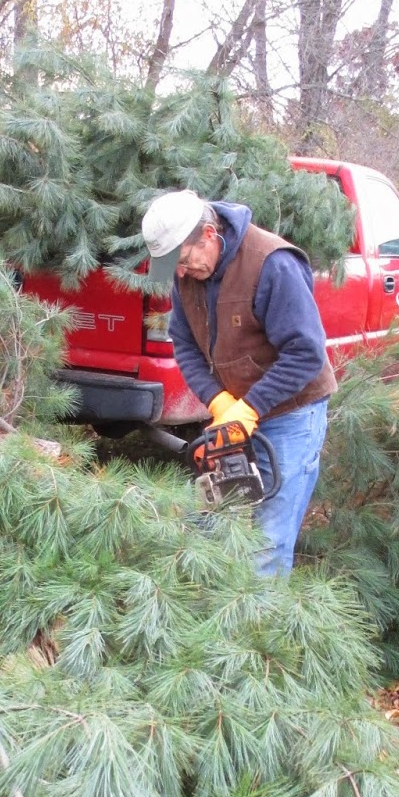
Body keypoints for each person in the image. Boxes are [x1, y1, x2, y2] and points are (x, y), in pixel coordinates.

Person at [141, 189, 336, 575]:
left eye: (182, 261)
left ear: (209, 235)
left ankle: (256, 629)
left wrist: (250, 408)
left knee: (268, 542)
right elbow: (183, 341)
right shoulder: (190, 271)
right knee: (215, 521)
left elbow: (306, 353)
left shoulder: (272, 265)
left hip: (291, 413)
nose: (179, 274)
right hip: (233, 412)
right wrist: (219, 402)